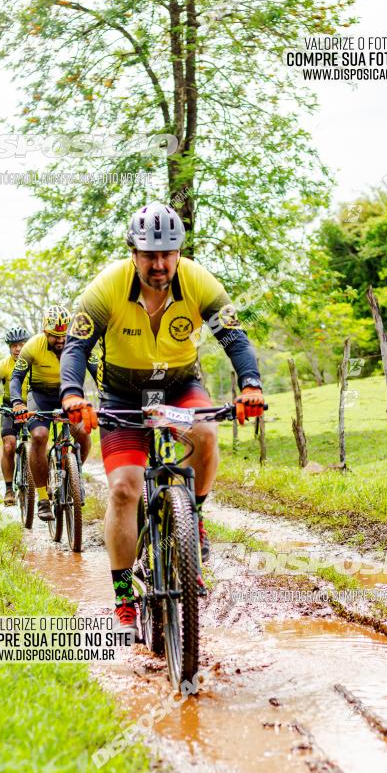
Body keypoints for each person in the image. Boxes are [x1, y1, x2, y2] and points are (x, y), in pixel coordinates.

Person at [59, 201, 264, 630]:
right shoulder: (106, 286)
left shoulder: (199, 281)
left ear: (179, 252)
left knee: (206, 431)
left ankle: (195, 516)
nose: (158, 264)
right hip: (121, 393)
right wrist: (73, 395)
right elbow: (76, 347)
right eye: (149, 254)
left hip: (178, 384)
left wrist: (250, 385)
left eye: (167, 253)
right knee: (124, 489)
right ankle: (122, 597)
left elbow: (235, 337)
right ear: (132, 253)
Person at [9, 305, 99, 522]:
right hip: (40, 396)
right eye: (55, 336)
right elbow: (16, 378)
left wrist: (107, 399)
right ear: (45, 332)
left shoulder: (80, 343)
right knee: (39, 436)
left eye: (63, 335)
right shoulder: (32, 346)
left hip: (69, 394)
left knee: (83, 432)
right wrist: (17, 403)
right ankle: (42, 498)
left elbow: (99, 375)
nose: (60, 340)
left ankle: (72, 476)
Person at [0, 326, 30, 506]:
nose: (17, 349)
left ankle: (45, 483)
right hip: (9, 408)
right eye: (13, 346)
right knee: (9, 445)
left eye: (21, 345)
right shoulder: (4, 364)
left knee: (39, 440)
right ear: (9, 348)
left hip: (32, 406)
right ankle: (9, 488)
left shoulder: (34, 361)